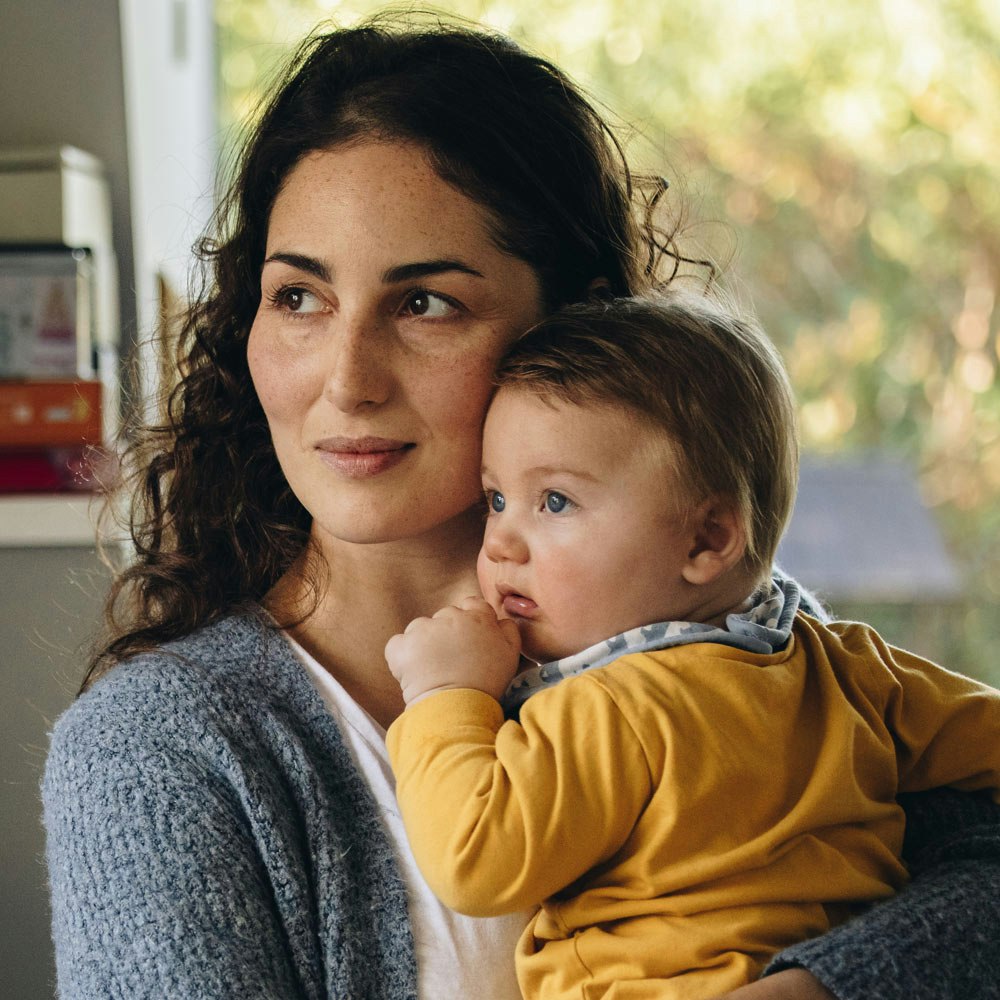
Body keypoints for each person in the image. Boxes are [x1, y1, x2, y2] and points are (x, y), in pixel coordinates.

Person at [41, 13, 1000, 1000]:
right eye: (298, 297)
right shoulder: (162, 751)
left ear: (568, 322)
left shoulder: (723, 633)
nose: (347, 378)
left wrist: (815, 988)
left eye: (425, 303)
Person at [384, 292, 1000, 1000]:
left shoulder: (611, 710)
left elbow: (475, 859)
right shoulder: (846, 664)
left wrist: (445, 694)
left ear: (707, 540)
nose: (500, 541)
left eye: (554, 501)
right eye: (496, 498)